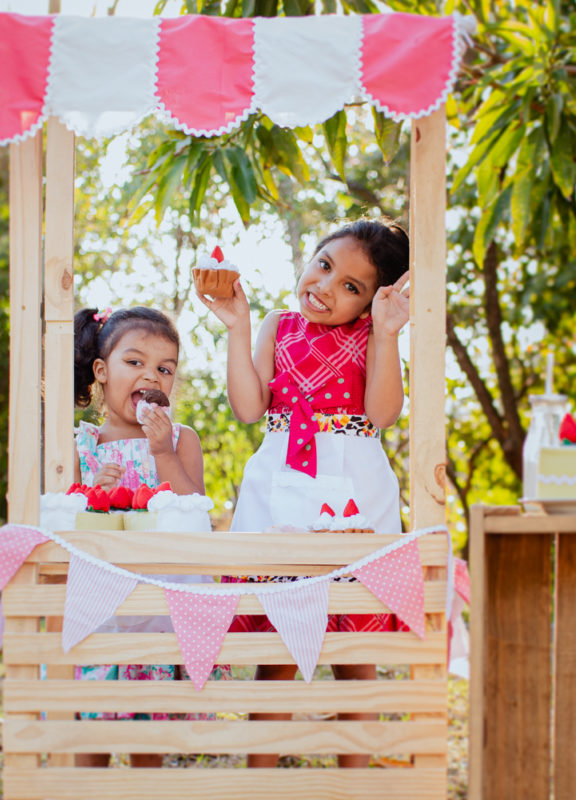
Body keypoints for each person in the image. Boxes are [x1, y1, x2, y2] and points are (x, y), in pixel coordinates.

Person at [197, 219, 411, 768]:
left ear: (371, 303)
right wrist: (238, 328)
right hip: (280, 492)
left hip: (355, 499)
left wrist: (386, 335)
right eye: (324, 265)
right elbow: (249, 408)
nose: (326, 286)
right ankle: (261, 780)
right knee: (277, 652)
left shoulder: (373, 334)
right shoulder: (278, 324)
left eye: (351, 287)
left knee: (356, 657)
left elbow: (383, 413)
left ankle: (355, 783)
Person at [70, 305, 224, 768]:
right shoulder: (82, 443)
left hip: (161, 605)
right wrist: (93, 489)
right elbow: (68, 516)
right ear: (101, 371)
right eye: (134, 362)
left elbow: (194, 512)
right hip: (102, 604)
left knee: (148, 731)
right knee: (89, 728)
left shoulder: (182, 440)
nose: (150, 376)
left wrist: (161, 451)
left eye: (164, 368)